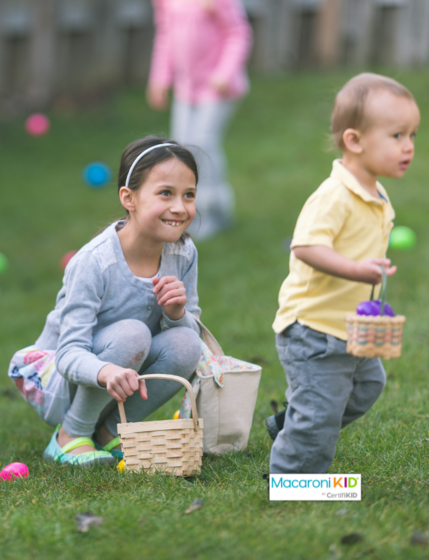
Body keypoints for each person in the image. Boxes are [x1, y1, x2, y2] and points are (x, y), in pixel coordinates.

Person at [8, 137, 203, 466]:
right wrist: (105, 370)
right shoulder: (94, 262)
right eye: (165, 193)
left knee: (186, 343)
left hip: (123, 374)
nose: (180, 208)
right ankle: (70, 435)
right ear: (129, 198)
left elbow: (192, 333)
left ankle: (110, 433)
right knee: (133, 333)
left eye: (189, 195)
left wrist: (176, 313)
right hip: (58, 380)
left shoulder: (183, 252)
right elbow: (69, 354)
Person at [267, 73, 420, 474]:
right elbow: (306, 247)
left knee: (368, 387)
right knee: (320, 412)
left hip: (351, 326)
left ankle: (292, 424)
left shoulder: (376, 192)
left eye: (413, 135)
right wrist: (356, 269)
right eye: (398, 135)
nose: (409, 147)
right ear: (354, 141)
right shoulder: (334, 195)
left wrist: (371, 267)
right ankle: (294, 480)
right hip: (313, 328)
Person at [146, 0, 252, 239]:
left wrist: (225, 73)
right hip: (186, 88)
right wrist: (160, 78)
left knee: (203, 145)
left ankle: (214, 210)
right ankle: (186, 210)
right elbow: (165, 36)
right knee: (180, 149)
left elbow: (238, 33)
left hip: (218, 87)